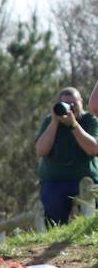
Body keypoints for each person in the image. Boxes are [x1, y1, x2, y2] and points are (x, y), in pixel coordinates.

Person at [35, 87, 98, 226]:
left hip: (86, 181)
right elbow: (40, 151)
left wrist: (73, 125)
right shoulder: (49, 121)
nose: (71, 108)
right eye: (66, 104)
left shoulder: (90, 120)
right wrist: (54, 122)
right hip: (55, 182)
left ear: (81, 102)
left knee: (92, 220)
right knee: (54, 222)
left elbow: (93, 149)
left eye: (74, 103)